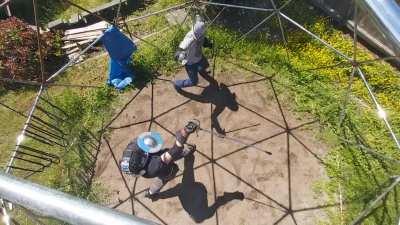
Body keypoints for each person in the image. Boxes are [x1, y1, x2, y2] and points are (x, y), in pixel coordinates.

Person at [119, 120, 200, 199]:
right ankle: (151, 193)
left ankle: (150, 193)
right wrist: (185, 132)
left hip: (148, 164)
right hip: (160, 170)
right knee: (164, 176)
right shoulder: (153, 167)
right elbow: (175, 151)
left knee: (166, 156)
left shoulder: (134, 146)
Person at [174, 15, 213, 89]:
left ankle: (202, 71)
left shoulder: (200, 34)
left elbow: (203, 41)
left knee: (205, 65)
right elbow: (178, 52)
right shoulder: (189, 40)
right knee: (193, 81)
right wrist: (179, 55)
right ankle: (177, 84)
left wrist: (209, 44)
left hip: (199, 57)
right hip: (190, 63)